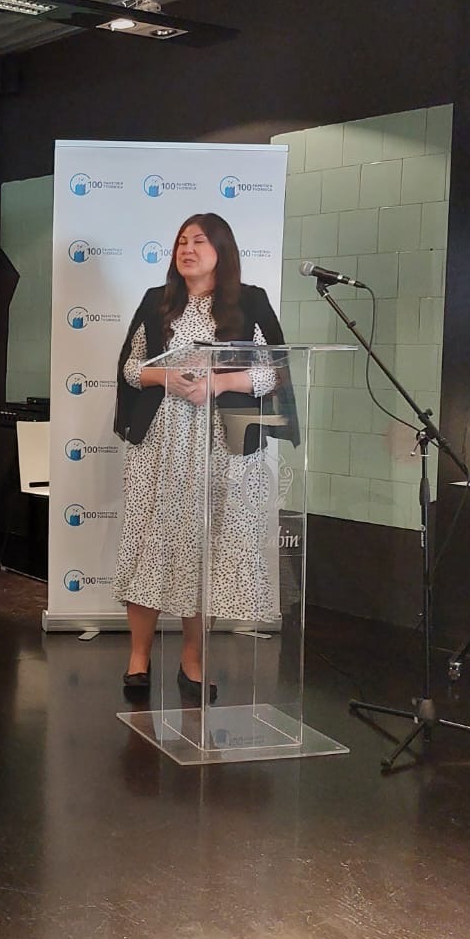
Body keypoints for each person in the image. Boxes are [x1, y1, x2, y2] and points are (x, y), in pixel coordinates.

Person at [111, 212, 287, 704]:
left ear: (221, 250)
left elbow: (274, 370)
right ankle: (139, 657)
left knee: (202, 548)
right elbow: (130, 368)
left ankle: (192, 660)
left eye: (199, 241)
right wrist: (166, 378)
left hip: (219, 445)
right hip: (159, 443)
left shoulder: (250, 301)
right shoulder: (157, 301)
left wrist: (221, 383)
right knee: (149, 542)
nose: (187, 249)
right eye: (181, 242)